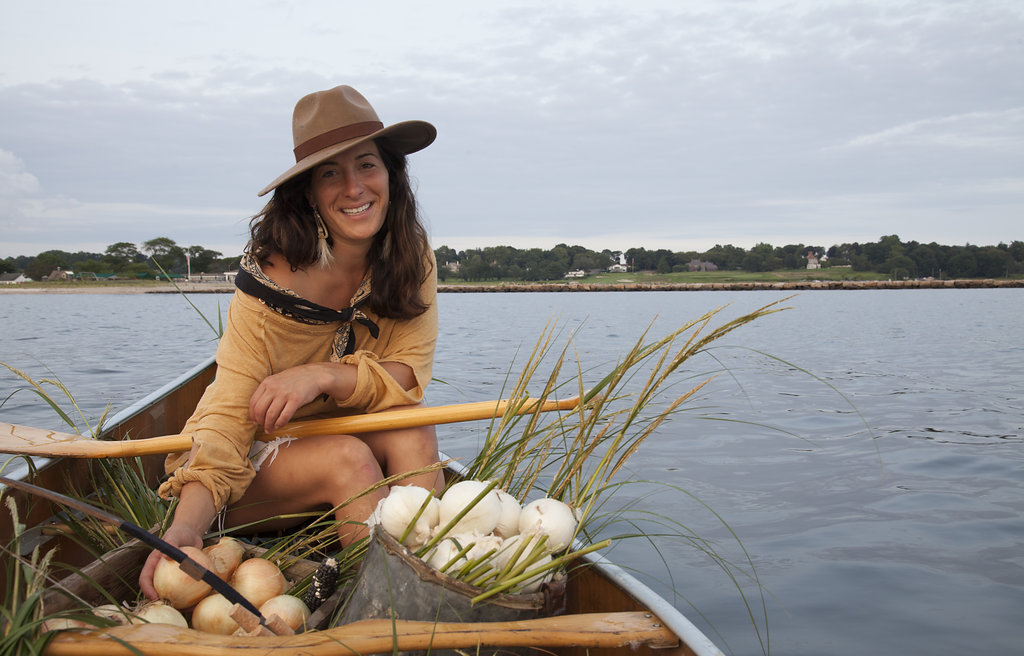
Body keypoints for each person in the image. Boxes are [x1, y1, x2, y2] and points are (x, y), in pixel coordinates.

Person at [140, 85, 443, 599]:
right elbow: (229, 412)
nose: (354, 188)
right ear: (308, 192)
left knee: (416, 432)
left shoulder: (411, 257)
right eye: (331, 173)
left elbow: (407, 378)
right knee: (345, 459)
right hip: (253, 468)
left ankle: (430, 574)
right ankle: (389, 604)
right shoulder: (270, 278)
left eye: (366, 165)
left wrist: (322, 375)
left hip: (334, 436)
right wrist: (186, 527)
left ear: (391, 174)